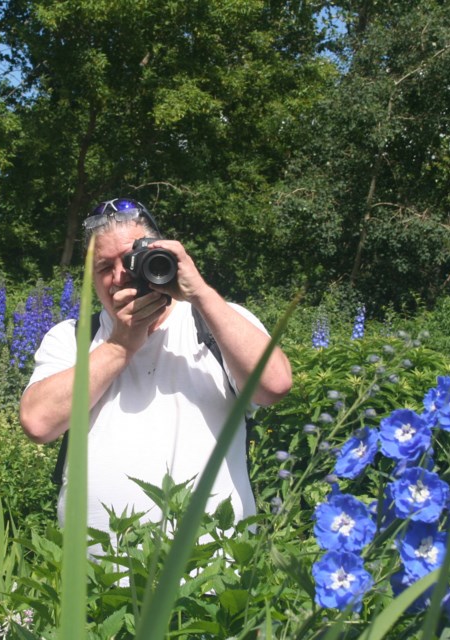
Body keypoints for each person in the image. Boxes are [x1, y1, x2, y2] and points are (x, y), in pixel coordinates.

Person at [19, 198, 292, 535]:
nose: (119, 276)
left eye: (130, 259)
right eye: (104, 267)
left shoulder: (215, 321)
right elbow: (37, 422)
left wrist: (201, 293)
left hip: (211, 577)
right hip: (94, 580)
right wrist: (119, 345)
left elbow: (274, 384)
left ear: (160, 257)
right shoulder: (72, 338)